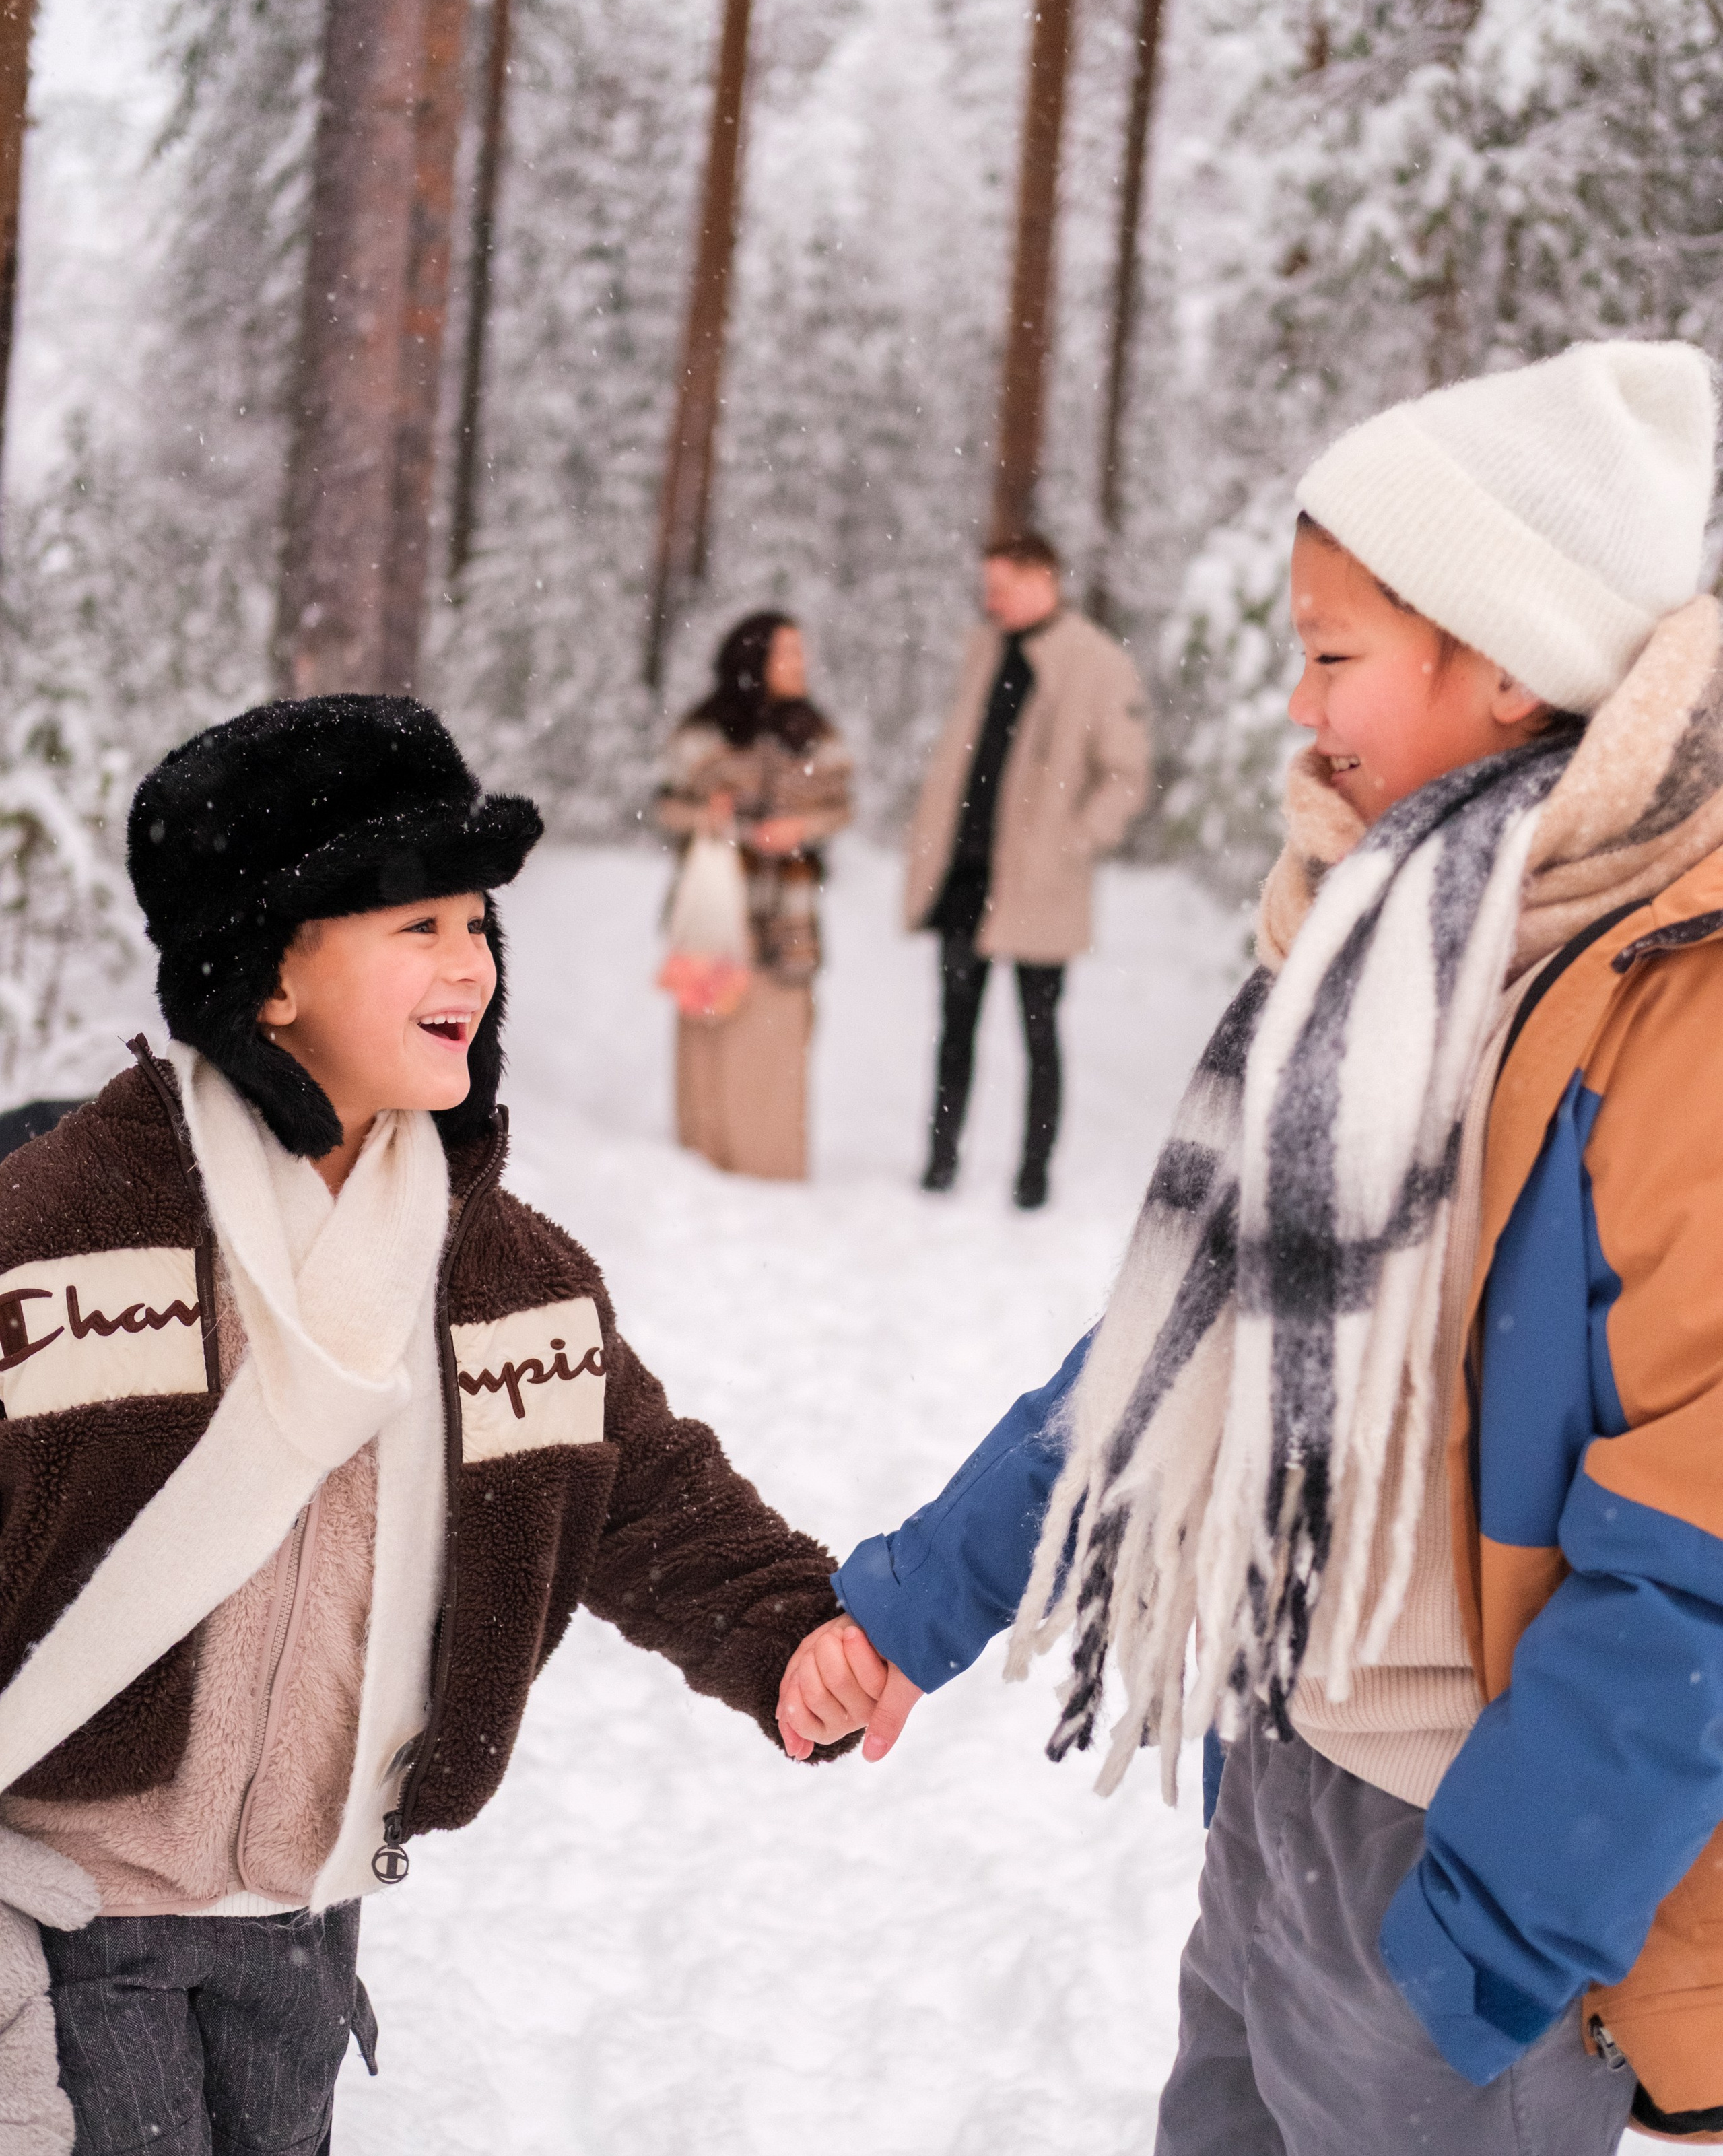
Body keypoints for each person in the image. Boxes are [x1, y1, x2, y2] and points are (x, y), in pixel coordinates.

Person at [779, 342, 1723, 2150]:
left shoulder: (1672, 1006)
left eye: (1333, 654)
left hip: (1468, 1872)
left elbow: (1694, 1541)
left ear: (1501, 660)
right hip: (1277, 1788)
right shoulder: (1372, 952)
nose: (1298, 706)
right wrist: (916, 1604)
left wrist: (1480, 1945)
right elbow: (1166, 1354)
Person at [0, 694, 853, 2155]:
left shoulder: (501, 1273)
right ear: (268, 975)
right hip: (65, 1910)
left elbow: (642, 1486)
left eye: (477, 924)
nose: (471, 961)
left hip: (304, 1927)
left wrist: (789, 1629)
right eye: (419, 925)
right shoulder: (62, 1234)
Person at [904, 532, 1150, 1209]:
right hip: (967, 872)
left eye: (1002, 588)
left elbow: (1126, 775)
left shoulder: (1097, 662)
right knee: (955, 1026)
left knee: (1039, 1032)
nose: (991, 601)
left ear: (1045, 579)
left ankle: (1033, 1178)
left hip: (1042, 882)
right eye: (987, 588)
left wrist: (1072, 841)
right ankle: (940, 1163)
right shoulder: (984, 648)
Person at [657, 611, 852, 1180]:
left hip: (789, 910)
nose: (800, 664)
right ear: (753, 660)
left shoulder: (817, 734)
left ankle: (771, 1170)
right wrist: (707, 814)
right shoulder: (702, 734)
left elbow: (841, 807)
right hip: (716, 907)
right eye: (787, 653)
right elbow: (666, 806)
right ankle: (703, 1163)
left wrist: (802, 828)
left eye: (800, 652)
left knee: (778, 1035)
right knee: (709, 1030)